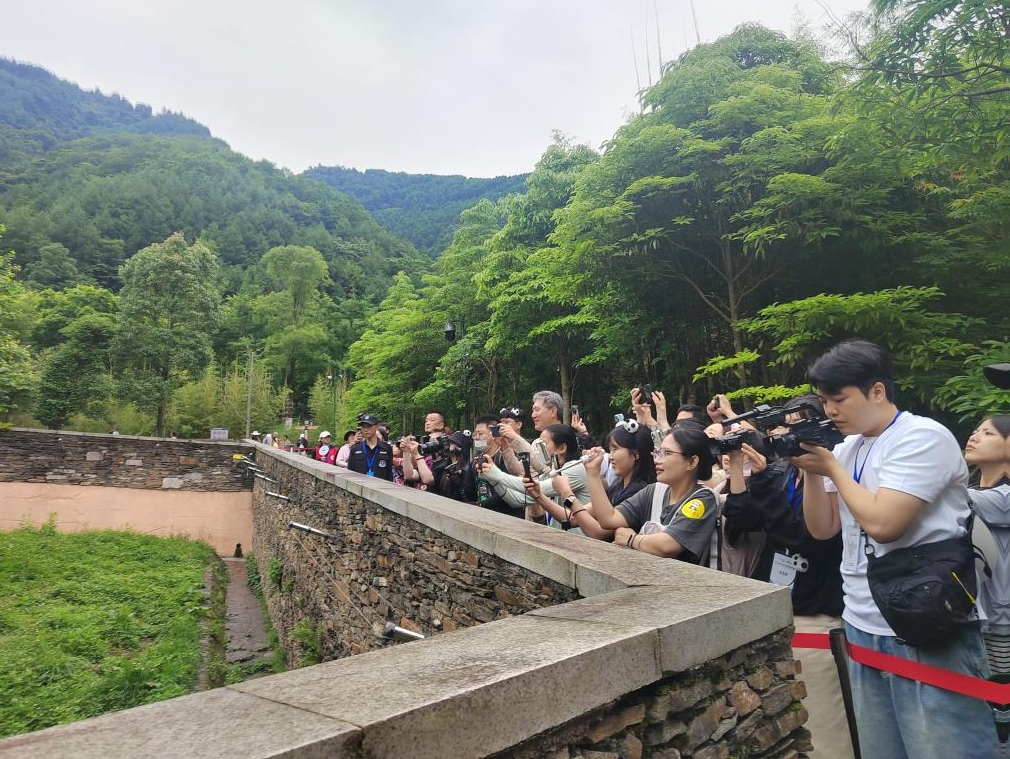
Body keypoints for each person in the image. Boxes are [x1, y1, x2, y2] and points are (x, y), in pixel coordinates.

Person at [792, 339, 997, 759]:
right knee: (884, 749)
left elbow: (885, 524)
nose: (830, 411)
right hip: (862, 619)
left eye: (839, 399)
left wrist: (830, 467)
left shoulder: (923, 437)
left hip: (926, 619)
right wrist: (810, 472)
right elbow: (823, 527)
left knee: (946, 748)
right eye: (824, 401)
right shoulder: (848, 447)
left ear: (878, 390)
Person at [721, 394, 848, 759]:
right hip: (777, 604)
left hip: (816, 612)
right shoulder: (783, 470)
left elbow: (808, 538)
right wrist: (743, 471)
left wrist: (765, 483)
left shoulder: (833, 472)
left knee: (825, 725)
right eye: (786, 424)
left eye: (800, 424)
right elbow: (743, 519)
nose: (787, 433)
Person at [581, 424, 719, 562]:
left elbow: (668, 545)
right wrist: (592, 473)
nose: (657, 460)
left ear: (692, 462)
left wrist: (632, 540)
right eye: (658, 452)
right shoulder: (653, 491)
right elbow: (608, 519)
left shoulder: (703, 499)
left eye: (667, 453)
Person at [964, 414, 1010, 745]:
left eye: (988, 432)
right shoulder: (970, 488)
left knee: (1000, 711)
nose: (975, 436)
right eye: (976, 430)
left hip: (1001, 622)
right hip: (972, 617)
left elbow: (951, 500)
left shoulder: (1005, 497)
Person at [479, 424, 592, 526]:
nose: (537, 449)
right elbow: (517, 500)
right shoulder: (555, 470)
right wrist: (493, 478)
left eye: (543, 444)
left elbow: (539, 488)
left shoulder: (575, 468)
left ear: (562, 448)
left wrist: (497, 474)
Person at [346, 414, 394, 480]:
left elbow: (389, 474)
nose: (366, 430)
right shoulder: (355, 449)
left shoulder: (386, 448)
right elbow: (350, 473)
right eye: (363, 427)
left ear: (377, 427)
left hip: (380, 488)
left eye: (369, 426)